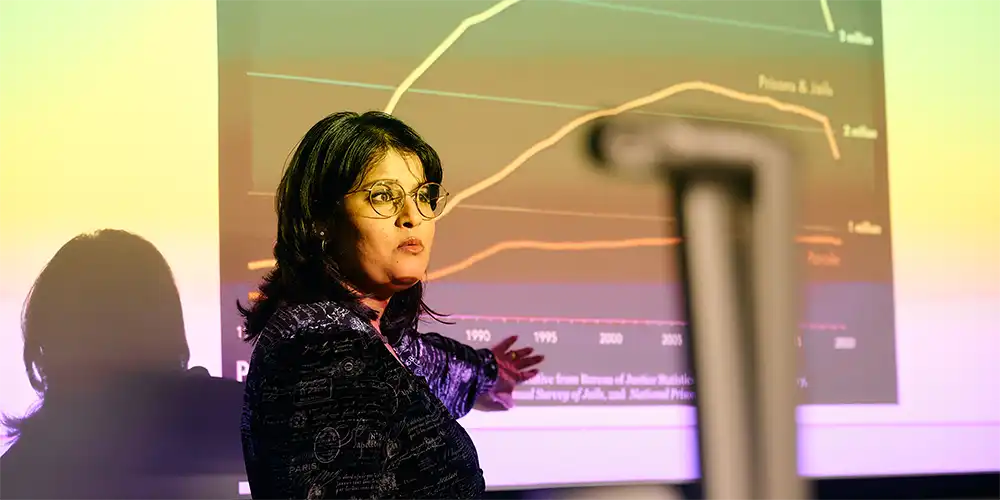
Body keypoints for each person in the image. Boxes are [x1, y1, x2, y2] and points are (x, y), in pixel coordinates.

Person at [239, 111, 544, 499]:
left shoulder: (366, 337)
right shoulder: (325, 352)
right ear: (322, 220)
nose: (412, 216)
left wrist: (489, 370)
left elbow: (429, 365)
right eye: (383, 196)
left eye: (422, 196)